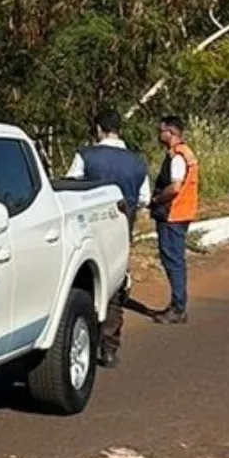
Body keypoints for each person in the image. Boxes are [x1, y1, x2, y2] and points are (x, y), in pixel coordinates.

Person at [65, 109, 150, 367]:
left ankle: (81, 343)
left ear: (99, 129)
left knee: (83, 285)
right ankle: (109, 347)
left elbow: (70, 185)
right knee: (115, 286)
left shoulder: (86, 155)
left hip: (88, 230)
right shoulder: (137, 161)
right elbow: (144, 197)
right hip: (121, 231)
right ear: (119, 129)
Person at [148, 115, 199, 324]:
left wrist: (157, 199)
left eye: (162, 131)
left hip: (173, 214)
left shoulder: (178, 157)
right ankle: (177, 304)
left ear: (171, 133)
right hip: (181, 213)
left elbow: (175, 187)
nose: (160, 135)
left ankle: (178, 308)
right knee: (175, 260)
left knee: (173, 261)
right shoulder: (185, 153)